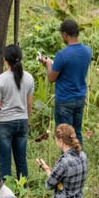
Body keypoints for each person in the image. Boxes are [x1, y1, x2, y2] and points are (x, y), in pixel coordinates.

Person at [39, 18, 92, 146]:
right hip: (80, 98)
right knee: (76, 132)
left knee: (65, 136)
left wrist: (48, 65)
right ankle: (79, 157)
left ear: (65, 34)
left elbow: (51, 78)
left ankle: (68, 158)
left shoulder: (62, 55)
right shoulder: (87, 51)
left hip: (65, 100)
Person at [0, 44, 34, 181]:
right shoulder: (29, 78)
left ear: (5, 59)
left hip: (4, 124)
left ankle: (7, 189)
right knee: (21, 160)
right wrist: (27, 120)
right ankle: (23, 188)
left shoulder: (0, 80)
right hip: (22, 122)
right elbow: (29, 104)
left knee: (5, 162)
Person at [36, 123, 88, 198]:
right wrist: (47, 168)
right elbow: (61, 180)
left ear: (60, 141)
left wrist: (46, 170)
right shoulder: (82, 155)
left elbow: (49, 184)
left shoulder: (64, 162)